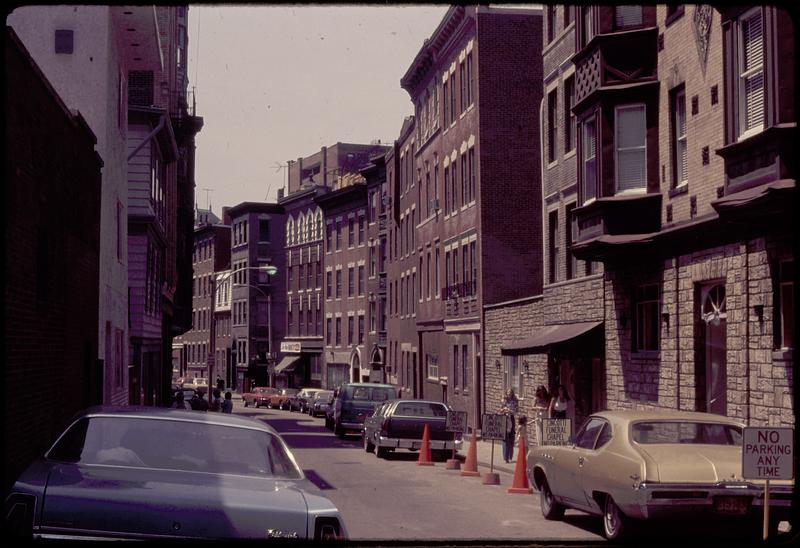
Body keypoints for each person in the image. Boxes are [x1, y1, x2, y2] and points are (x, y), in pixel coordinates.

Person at [500, 388, 518, 463]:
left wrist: (510, 411)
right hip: (505, 419)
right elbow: (500, 410)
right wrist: (503, 410)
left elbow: (516, 411)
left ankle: (510, 456)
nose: (509, 394)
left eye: (510, 392)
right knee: (505, 439)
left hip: (511, 419)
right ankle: (505, 458)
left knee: (511, 439)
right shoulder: (504, 401)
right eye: (508, 392)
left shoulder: (514, 401)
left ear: (512, 393)